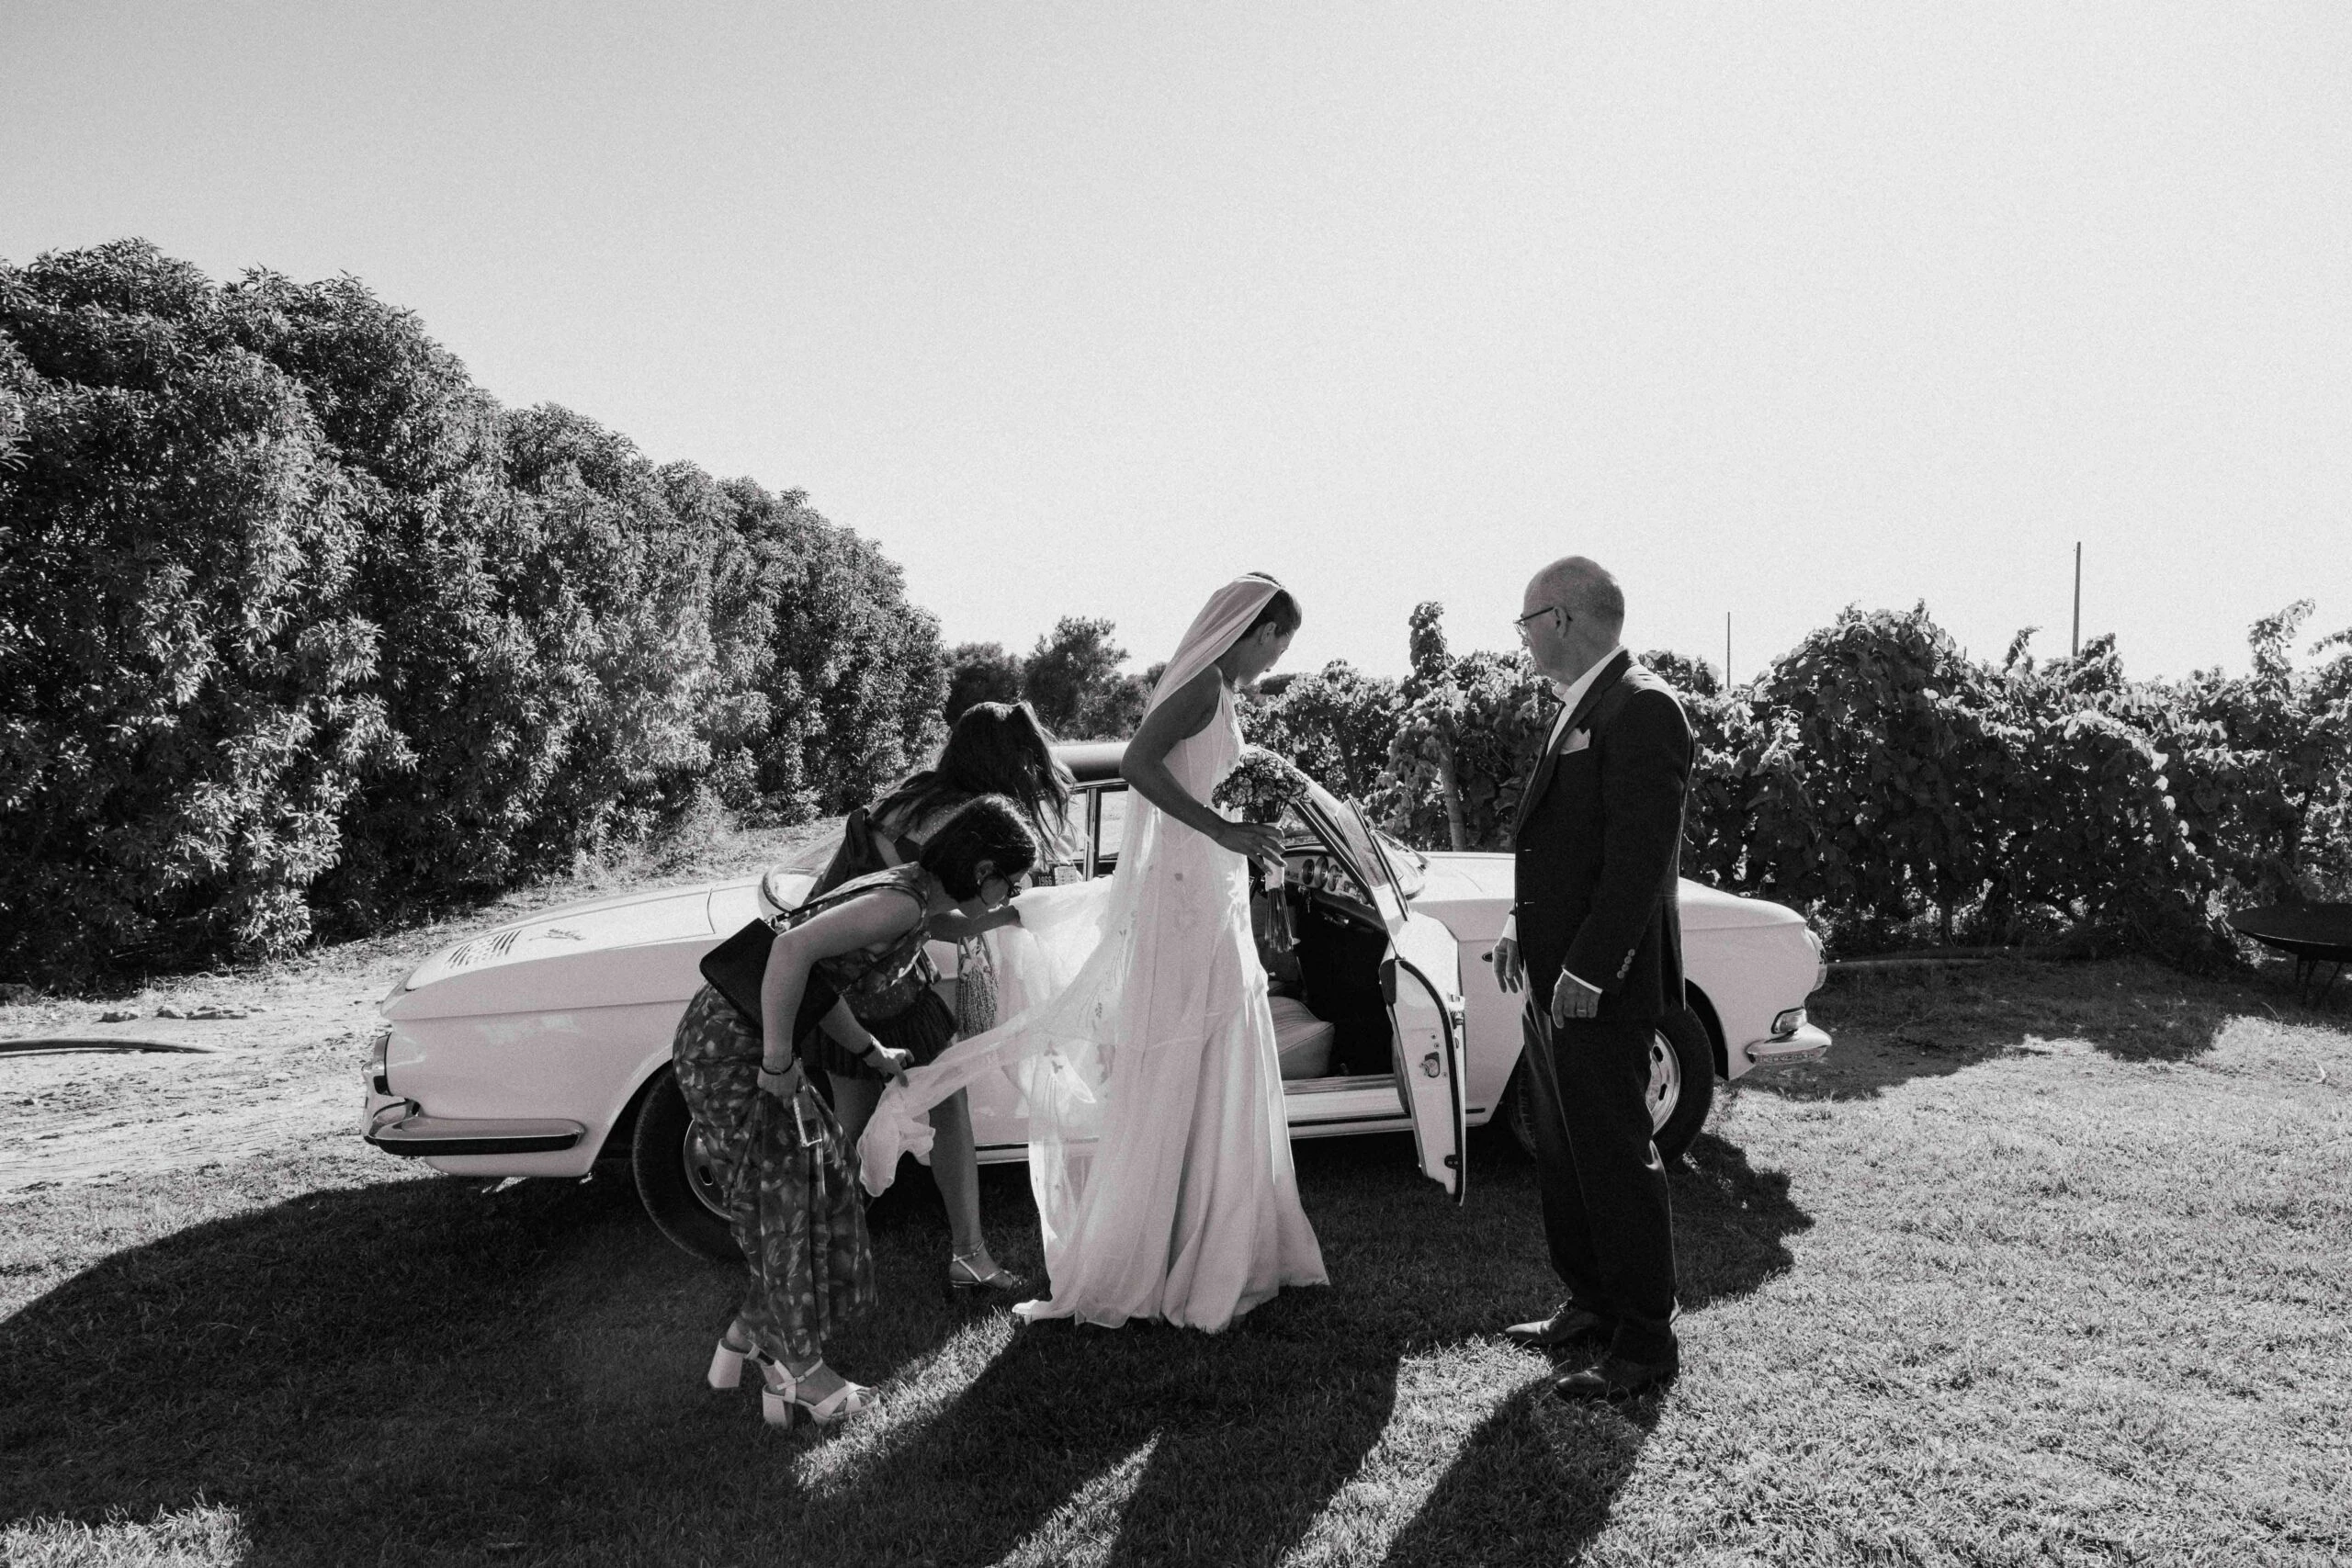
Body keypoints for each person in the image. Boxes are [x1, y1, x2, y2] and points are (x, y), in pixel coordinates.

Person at [859, 573, 1328, 1333]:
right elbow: (1139, 763)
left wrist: (1241, 836)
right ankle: (1174, 1247)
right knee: (1189, 1051)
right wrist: (1224, 829)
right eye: (1280, 643)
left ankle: (1212, 1231)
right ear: (1259, 629)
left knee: (1214, 1053)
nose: (1277, 660)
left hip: (1210, 894)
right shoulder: (1202, 686)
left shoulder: (1222, 694)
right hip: (1191, 898)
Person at [678, 796, 1037, 1427]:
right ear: (982, 870)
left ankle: (748, 1338)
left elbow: (823, 981)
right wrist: (777, 1060)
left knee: (822, 1189)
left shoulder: (915, 895)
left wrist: (871, 1051)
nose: (1011, 893)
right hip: (733, 1047)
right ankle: (801, 1375)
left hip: (742, 1037)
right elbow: (790, 952)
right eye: (1010, 882)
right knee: (790, 1203)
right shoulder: (903, 904)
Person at [1491, 555, 1694, 1402]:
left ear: (1563, 618)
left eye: (1526, 621)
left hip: (1597, 983)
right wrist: (1520, 924)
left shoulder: (1642, 706)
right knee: (1565, 1150)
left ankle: (1644, 1341)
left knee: (1613, 1154)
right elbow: (1562, 844)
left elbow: (1637, 862)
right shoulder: (1579, 704)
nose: (1524, 637)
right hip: (1550, 974)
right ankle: (1590, 1301)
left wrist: (1589, 967)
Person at [804, 700, 1073, 1300]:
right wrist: (1015, 911)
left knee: (854, 1125)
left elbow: (921, 914)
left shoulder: (911, 799)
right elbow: (937, 915)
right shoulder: (953, 819)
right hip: (882, 986)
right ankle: (966, 1255)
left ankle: (817, 1257)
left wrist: (1000, 913)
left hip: (845, 982)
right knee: (941, 1113)